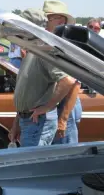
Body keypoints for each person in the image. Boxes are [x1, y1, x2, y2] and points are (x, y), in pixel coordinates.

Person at [8, 8, 76, 147]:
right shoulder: (33, 51)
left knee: (32, 167)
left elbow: (67, 81)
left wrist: (47, 107)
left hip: (38, 122)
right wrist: (17, 123)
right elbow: (27, 93)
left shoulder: (45, 51)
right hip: (29, 120)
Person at [42, 0, 82, 145]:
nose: (44, 22)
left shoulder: (65, 46)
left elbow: (74, 84)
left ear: (61, 20)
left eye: (48, 18)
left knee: (67, 156)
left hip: (65, 108)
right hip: (58, 106)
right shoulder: (51, 42)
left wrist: (63, 120)